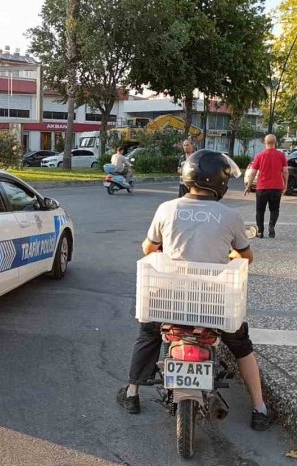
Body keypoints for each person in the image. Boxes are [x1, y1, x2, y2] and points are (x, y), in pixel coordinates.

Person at [116, 149, 272, 431]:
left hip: (169, 299)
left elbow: (149, 248)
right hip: (215, 303)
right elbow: (246, 256)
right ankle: (260, 408)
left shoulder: (167, 209)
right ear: (221, 183)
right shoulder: (230, 215)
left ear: (187, 178)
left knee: (148, 332)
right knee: (241, 347)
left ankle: (131, 393)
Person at [245, 134, 288, 238]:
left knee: (260, 210)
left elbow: (253, 172)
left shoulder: (260, 156)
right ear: (275, 142)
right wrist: (285, 185)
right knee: (274, 209)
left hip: (262, 187)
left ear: (265, 143)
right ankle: (271, 227)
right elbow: (285, 172)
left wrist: (248, 186)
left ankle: (260, 231)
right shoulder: (281, 155)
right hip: (277, 187)